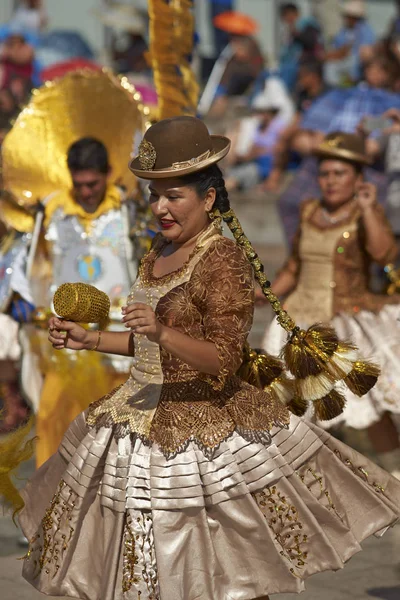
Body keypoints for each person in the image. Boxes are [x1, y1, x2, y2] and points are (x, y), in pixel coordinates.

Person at [17, 116, 400, 600]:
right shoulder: (157, 251)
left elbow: (223, 358)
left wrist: (160, 329)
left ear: (209, 197)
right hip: (139, 417)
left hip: (206, 431)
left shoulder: (222, 259)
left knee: (227, 573)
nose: (160, 208)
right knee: (148, 572)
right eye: (154, 195)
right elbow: (150, 348)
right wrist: (90, 340)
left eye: (173, 196)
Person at [261, 132, 400, 479]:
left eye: (340, 174)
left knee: (368, 404)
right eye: (325, 174)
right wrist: (264, 295)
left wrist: (368, 208)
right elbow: (294, 267)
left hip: (345, 321)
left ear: (357, 179)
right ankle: (306, 478)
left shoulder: (364, 213)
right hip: (298, 322)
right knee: (295, 401)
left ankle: (396, 471)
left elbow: (385, 254)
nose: (331, 181)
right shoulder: (309, 210)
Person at [29, 137, 146, 467]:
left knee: (119, 426)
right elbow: (30, 268)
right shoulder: (50, 213)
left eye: (92, 183)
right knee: (53, 418)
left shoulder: (132, 211)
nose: (85, 191)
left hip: (119, 342)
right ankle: (49, 503)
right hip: (66, 338)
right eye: (78, 184)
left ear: (109, 173)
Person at [278, 53, 400, 244]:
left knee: (374, 215)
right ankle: (303, 257)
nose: (374, 74)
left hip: (368, 165)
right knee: (290, 202)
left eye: (380, 70)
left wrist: (365, 138)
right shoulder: (341, 96)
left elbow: (372, 148)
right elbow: (300, 138)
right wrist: (320, 143)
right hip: (327, 154)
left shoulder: (393, 103)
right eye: (370, 69)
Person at [324, 0, 376, 86]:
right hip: (344, 59)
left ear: (355, 17)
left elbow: (365, 51)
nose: (346, 19)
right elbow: (337, 45)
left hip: (356, 62)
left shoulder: (366, 30)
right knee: (329, 66)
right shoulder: (344, 30)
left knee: (351, 61)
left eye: (348, 16)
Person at [278, 2, 322, 91]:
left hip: (306, 62)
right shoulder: (288, 30)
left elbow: (310, 42)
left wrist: (297, 34)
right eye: (284, 16)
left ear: (296, 13)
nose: (286, 19)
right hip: (289, 64)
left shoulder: (307, 24)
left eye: (287, 15)